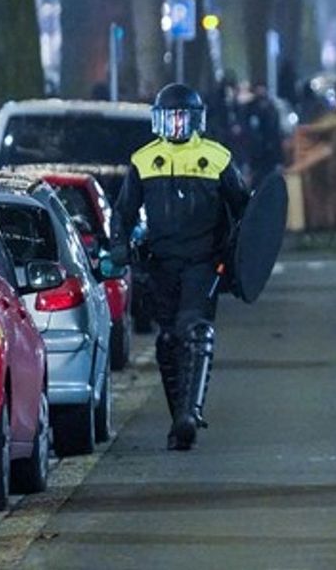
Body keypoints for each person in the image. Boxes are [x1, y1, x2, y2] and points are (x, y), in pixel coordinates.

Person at [111, 83, 250, 450]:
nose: (176, 125)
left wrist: (235, 260)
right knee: (169, 339)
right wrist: (120, 248)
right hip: (161, 265)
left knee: (196, 329)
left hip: (203, 262)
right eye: (170, 118)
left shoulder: (217, 157)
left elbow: (245, 210)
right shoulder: (143, 160)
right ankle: (179, 420)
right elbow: (122, 212)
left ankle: (192, 412)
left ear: (196, 120)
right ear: (159, 121)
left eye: (182, 118)